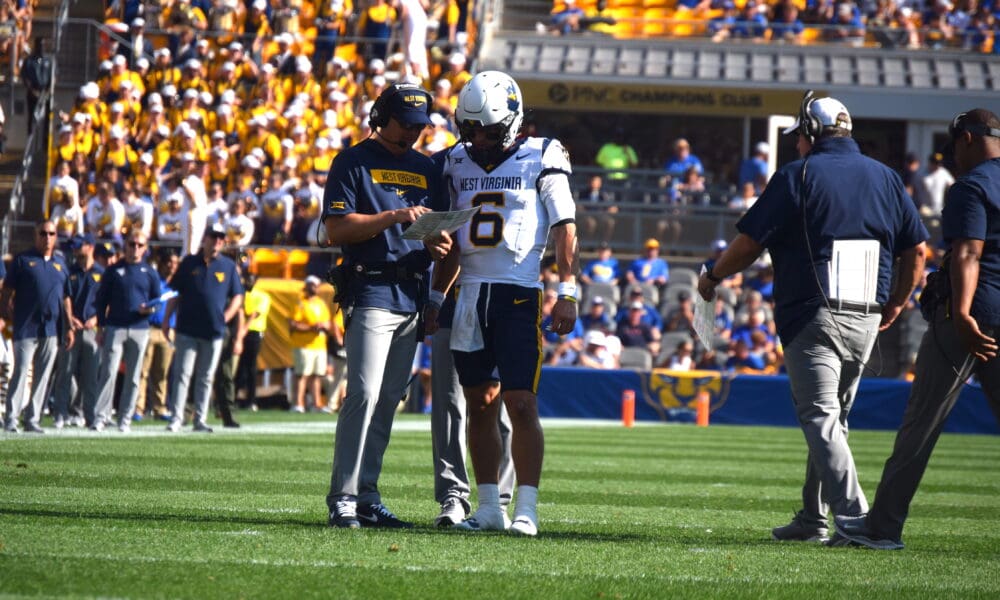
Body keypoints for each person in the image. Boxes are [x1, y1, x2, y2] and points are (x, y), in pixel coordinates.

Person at [698, 92, 928, 544]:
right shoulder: (885, 177)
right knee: (833, 420)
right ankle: (812, 517)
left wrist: (713, 275)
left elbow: (749, 242)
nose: (797, 145)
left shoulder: (798, 174)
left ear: (810, 132)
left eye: (799, 137)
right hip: (867, 315)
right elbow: (916, 250)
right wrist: (898, 302)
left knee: (820, 417)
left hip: (814, 311)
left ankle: (860, 518)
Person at [835, 109, 1000, 550]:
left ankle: (882, 527)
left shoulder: (971, 185)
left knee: (920, 424)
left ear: (966, 138)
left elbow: (967, 253)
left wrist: (962, 314)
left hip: (970, 316)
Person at [428, 71, 578, 536]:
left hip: (518, 291)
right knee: (479, 402)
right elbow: (448, 237)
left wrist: (568, 290)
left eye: (487, 130)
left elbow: (565, 226)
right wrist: (436, 294)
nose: (477, 138)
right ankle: (489, 506)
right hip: (469, 292)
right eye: (468, 128)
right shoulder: (453, 160)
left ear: (512, 122)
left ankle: (527, 508)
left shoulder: (543, 152)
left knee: (521, 402)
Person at [323, 82, 447, 529]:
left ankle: (368, 495)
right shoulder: (353, 161)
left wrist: (437, 242)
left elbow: (436, 232)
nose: (414, 133)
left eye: (420, 126)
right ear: (380, 118)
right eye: (405, 124)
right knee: (364, 393)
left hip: (411, 294)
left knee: (389, 398)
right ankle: (343, 496)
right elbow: (336, 229)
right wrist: (394, 217)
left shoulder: (426, 168)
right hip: (371, 289)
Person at [426, 288, 515, 527]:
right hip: (453, 302)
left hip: (503, 301)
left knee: (500, 411)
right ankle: (452, 495)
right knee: (450, 406)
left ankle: (499, 500)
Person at [163, 223, 244, 433]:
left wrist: (226, 316)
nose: (217, 241)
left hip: (213, 331)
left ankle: (200, 419)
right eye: (213, 236)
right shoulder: (189, 262)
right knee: (183, 374)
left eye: (220, 237)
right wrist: (166, 320)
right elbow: (176, 293)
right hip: (187, 328)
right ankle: (177, 418)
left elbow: (238, 296)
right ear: (205, 238)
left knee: (206, 377)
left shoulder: (228, 266)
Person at [1, 221, 73, 433]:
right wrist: (5, 312)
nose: (47, 237)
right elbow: (6, 290)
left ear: (56, 236)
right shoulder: (23, 260)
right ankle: (11, 418)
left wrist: (69, 326)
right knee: (21, 371)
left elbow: (66, 298)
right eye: (43, 233)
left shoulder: (60, 264)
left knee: (42, 376)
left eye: (51, 233)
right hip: (25, 327)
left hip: (50, 329)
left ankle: (32, 419)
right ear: (36, 235)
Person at [92, 231, 161, 432]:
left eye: (140, 245)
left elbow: (157, 302)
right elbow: (102, 300)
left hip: (140, 328)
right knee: (108, 372)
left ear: (145, 248)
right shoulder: (114, 270)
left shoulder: (150, 272)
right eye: (132, 244)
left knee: (133, 376)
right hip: (116, 326)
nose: (135, 248)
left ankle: (125, 418)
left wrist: (149, 309)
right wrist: (101, 327)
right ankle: (101, 416)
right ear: (126, 246)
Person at [52, 233, 103, 429]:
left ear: (90, 247)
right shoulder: (70, 272)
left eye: (79, 246)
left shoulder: (100, 272)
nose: (75, 249)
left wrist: (96, 319)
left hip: (92, 329)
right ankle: (60, 414)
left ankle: (88, 415)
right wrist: (70, 319)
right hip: (72, 328)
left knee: (90, 376)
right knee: (65, 372)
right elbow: (66, 297)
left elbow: (105, 301)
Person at [141, 249, 178, 420]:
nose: (172, 266)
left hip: (168, 331)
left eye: (175, 262)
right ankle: (138, 407)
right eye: (169, 262)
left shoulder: (177, 284)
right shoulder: (154, 281)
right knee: (143, 370)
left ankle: (159, 407)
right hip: (150, 327)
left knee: (162, 372)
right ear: (162, 263)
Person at [289, 275, 332, 413]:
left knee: (316, 376)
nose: (315, 287)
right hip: (303, 345)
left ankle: (316, 404)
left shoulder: (320, 303)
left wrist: (323, 326)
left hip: (319, 345)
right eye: (313, 285)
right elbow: (293, 324)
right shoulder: (300, 303)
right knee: (301, 374)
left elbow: (327, 322)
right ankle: (298, 403)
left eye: (317, 285)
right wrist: (311, 327)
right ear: (306, 286)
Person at [236, 273, 270, 411]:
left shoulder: (262, 296)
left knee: (250, 367)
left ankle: (251, 400)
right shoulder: (240, 294)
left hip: (254, 332)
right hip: (240, 331)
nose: (248, 282)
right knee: (239, 367)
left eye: (250, 280)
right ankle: (234, 398)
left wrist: (244, 328)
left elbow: (256, 313)